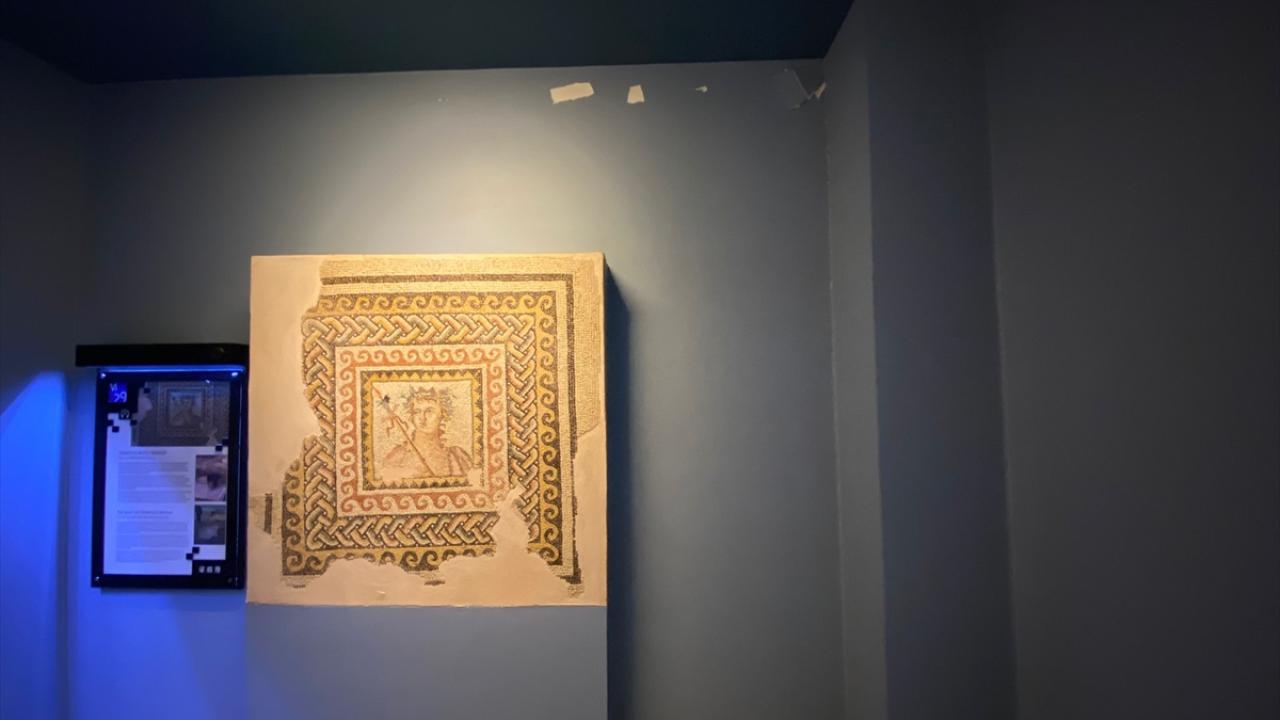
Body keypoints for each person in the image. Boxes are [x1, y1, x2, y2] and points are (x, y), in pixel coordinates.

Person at [381, 386, 472, 477]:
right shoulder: (397, 456)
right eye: (417, 412)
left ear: (443, 416)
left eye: (429, 411)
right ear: (412, 417)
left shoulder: (457, 457)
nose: (422, 418)